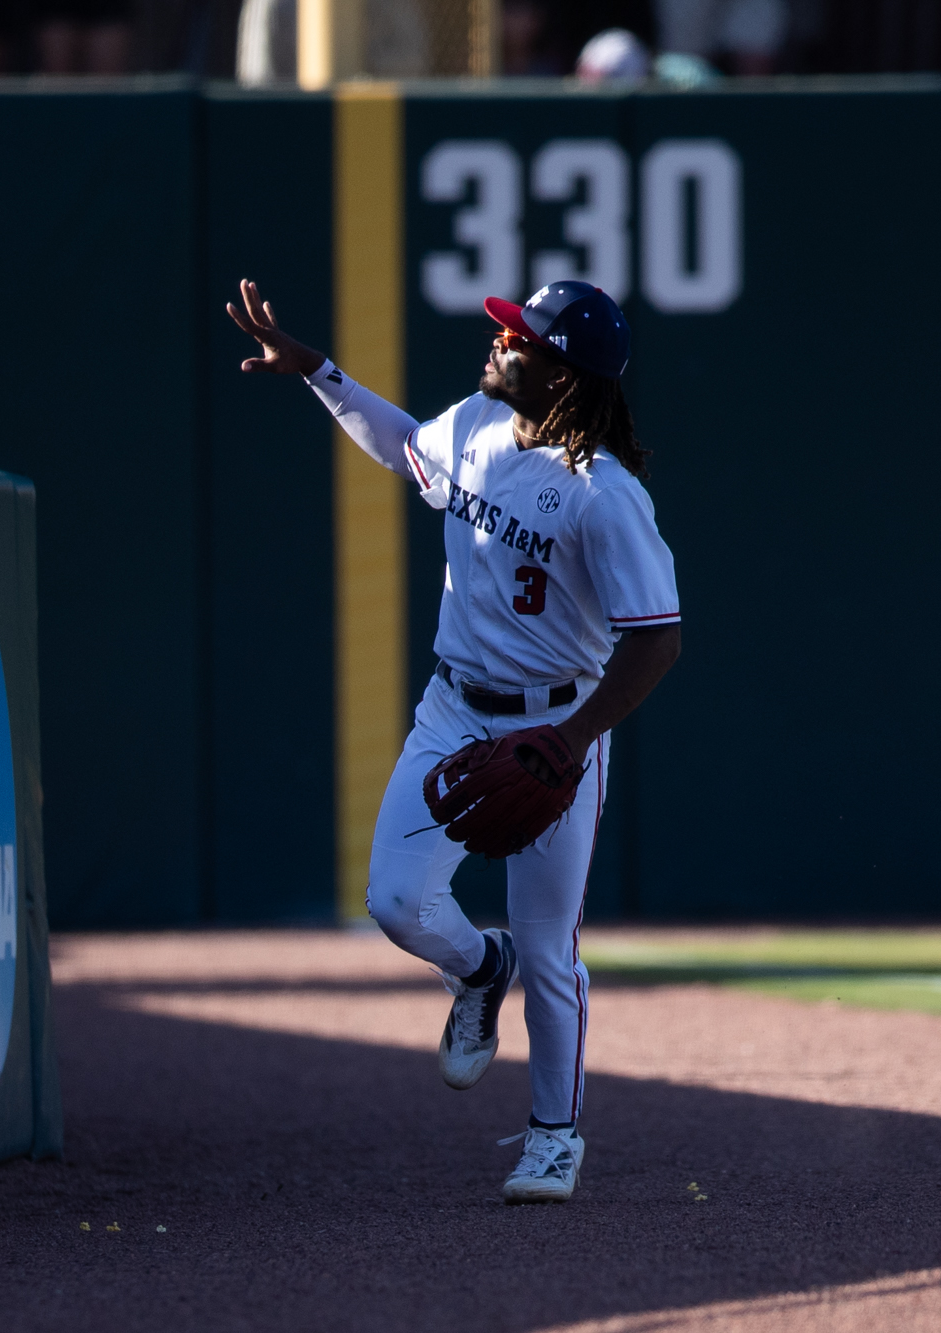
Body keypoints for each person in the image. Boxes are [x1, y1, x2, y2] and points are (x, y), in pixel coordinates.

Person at [227, 277, 682, 1203]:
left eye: (518, 338)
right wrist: (318, 371)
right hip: (452, 707)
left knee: (553, 946)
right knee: (396, 902)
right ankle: (481, 967)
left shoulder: (603, 494)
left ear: (561, 375)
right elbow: (405, 446)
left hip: (555, 722)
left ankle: (555, 1136)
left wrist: (576, 735)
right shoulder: (476, 421)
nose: (498, 342)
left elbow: (658, 636)